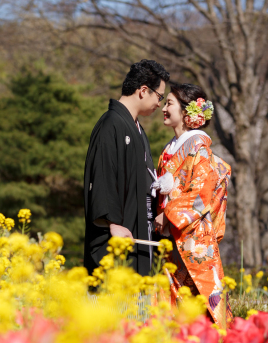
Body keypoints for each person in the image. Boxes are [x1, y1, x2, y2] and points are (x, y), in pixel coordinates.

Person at [152, 83, 232, 326]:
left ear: (187, 113)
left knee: (200, 306)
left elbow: (201, 193)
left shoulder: (199, 147)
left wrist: (168, 215)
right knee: (173, 304)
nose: (164, 108)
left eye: (169, 103)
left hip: (191, 236)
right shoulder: (171, 148)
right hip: (170, 236)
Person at [84, 60, 170, 277]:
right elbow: (102, 175)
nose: (159, 104)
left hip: (139, 226)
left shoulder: (136, 128)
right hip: (117, 231)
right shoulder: (111, 124)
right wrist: (112, 223)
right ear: (143, 91)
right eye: (159, 97)